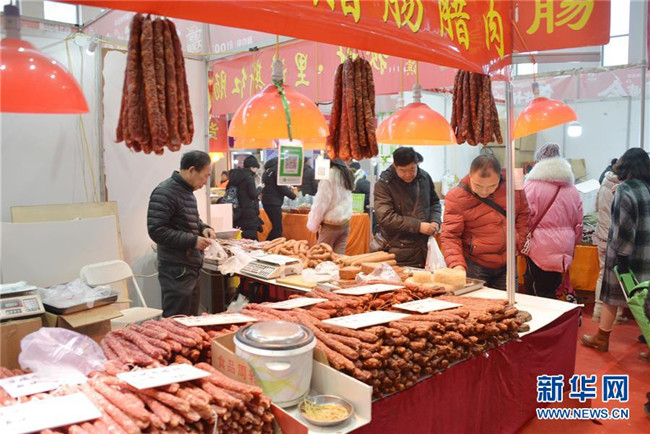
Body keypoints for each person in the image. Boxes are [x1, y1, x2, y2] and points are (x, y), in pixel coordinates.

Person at [582, 148, 650, 362]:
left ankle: (602, 338)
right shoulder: (647, 188)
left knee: (610, 297)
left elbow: (624, 228)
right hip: (646, 255)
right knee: (645, 301)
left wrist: (621, 257)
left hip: (626, 256)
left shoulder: (626, 189)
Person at [441, 155, 530, 290]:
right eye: (478, 185)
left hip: (508, 262)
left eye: (492, 186)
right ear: (470, 175)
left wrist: (519, 240)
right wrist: (456, 264)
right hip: (475, 264)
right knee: (476, 302)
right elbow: (450, 235)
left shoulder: (513, 183)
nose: (484, 191)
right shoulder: (456, 197)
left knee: (509, 302)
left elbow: (523, 213)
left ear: (499, 177)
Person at [147, 151, 216, 317]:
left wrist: (203, 228)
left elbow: (189, 219)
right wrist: (193, 241)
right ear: (192, 170)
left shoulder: (186, 191)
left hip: (190, 266)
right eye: (205, 176)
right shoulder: (165, 192)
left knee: (190, 319)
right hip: (177, 269)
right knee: (176, 319)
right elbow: (156, 230)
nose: (205, 182)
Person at [522, 143, 583, 299]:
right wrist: (572, 243)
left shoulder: (531, 186)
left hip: (539, 246)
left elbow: (523, 217)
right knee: (554, 286)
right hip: (564, 247)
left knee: (540, 289)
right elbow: (578, 223)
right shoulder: (572, 189)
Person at [374, 147, 441, 267]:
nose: (408, 174)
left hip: (424, 248)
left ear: (417, 164)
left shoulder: (424, 178)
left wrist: (435, 220)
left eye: (412, 169)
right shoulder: (384, 184)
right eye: (403, 170)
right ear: (395, 166)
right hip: (397, 249)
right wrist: (418, 226)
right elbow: (386, 218)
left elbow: (435, 202)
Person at [592, 170, 627, 323]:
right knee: (619, 277)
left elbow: (596, 207)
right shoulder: (624, 188)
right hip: (617, 238)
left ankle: (597, 311)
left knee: (602, 274)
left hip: (602, 235)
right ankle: (616, 315)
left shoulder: (604, 183)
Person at [307, 159, 354, 254]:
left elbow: (321, 203)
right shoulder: (346, 174)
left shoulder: (328, 176)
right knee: (338, 257)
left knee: (319, 255)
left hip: (331, 224)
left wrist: (313, 223)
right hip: (345, 222)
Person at [262, 157, 297, 240]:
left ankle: (270, 244)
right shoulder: (276, 170)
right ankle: (267, 244)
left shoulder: (267, 171)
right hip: (274, 202)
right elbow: (281, 186)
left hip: (267, 201)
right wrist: (293, 196)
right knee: (277, 229)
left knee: (276, 227)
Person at [228, 155, 263, 240]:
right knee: (251, 239)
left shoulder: (234, 177)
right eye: (256, 168)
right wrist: (260, 188)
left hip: (237, 212)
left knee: (240, 237)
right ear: (252, 167)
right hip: (248, 212)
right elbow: (253, 195)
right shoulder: (249, 177)